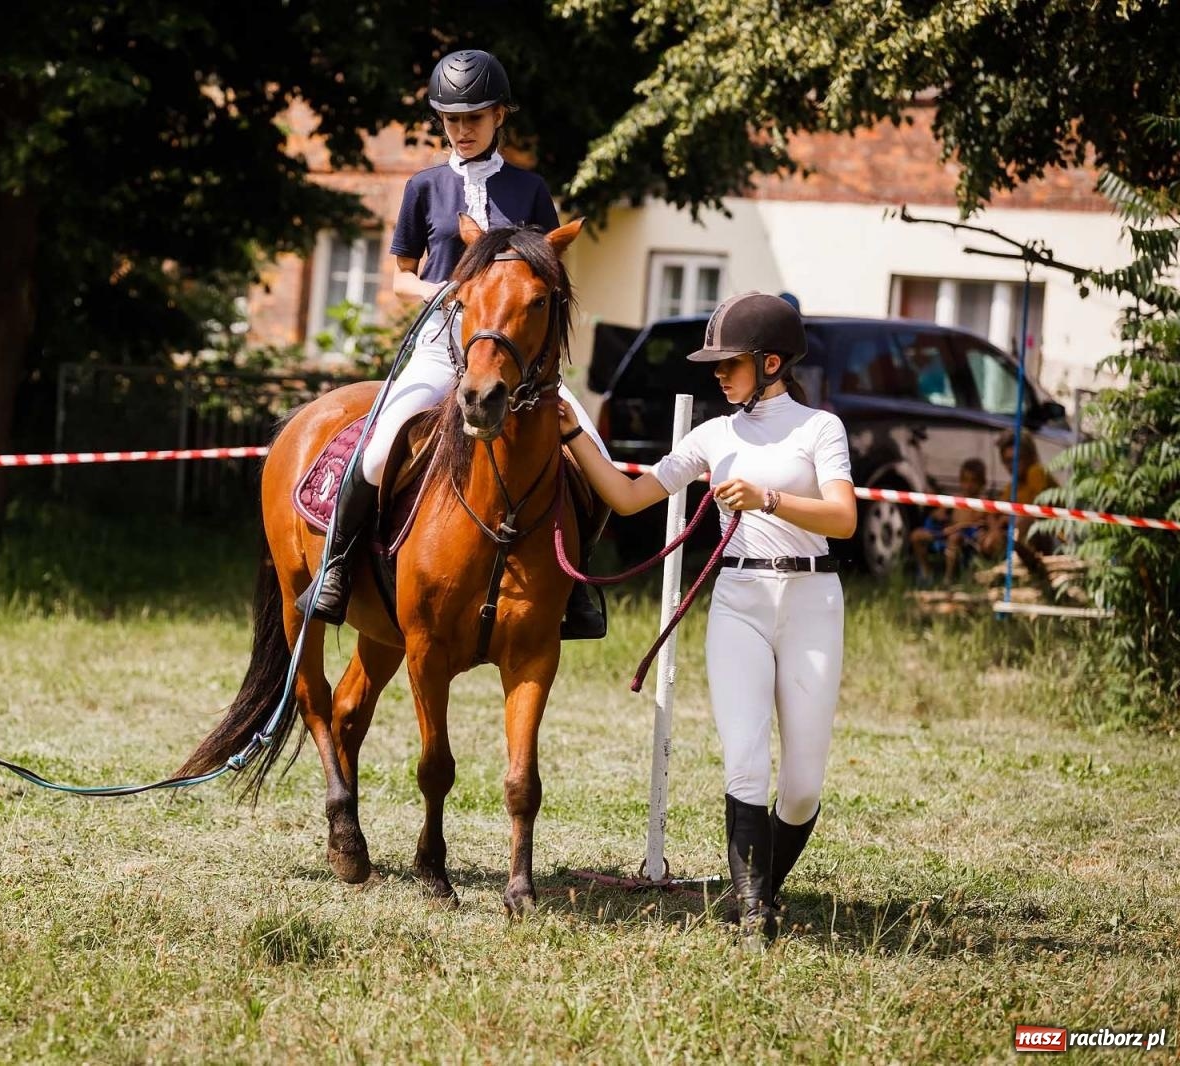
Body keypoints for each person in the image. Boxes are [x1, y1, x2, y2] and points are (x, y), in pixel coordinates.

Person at [559, 292, 858, 945]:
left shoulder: (818, 428)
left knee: (803, 788)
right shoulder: (712, 435)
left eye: (730, 363)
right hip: (739, 601)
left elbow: (843, 518)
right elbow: (630, 495)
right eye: (715, 364)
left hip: (813, 602)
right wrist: (574, 436)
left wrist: (769, 498)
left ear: (771, 361)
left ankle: (753, 889)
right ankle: (754, 914)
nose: (718, 374)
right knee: (746, 764)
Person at [295, 48, 609, 637]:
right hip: (443, 342)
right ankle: (336, 569)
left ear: (500, 118)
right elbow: (399, 275)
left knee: (591, 454)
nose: (463, 131)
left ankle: (574, 588)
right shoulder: (424, 187)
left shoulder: (530, 190)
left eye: (475, 119)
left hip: (514, 353)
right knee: (381, 444)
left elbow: (545, 272)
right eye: (452, 119)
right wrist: (445, 291)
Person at [910, 458, 991, 585]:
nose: (968, 485)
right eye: (965, 480)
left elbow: (978, 525)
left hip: (966, 539)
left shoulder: (982, 503)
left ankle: (948, 578)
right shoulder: (956, 499)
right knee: (917, 535)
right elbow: (938, 514)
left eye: (973, 481)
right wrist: (939, 515)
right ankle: (926, 573)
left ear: (982, 483)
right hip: (945, 532)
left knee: (954, 537)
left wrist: (955, 528)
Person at [978, 431, 1056, 561]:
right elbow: (996, 510)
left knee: (1022, 522)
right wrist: (995, 527)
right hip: (1026, 533)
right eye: (1007, 461)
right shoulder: (1013, 485)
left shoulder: (1035, 472)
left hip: (1052, 535)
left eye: (1017, 459)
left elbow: (1036, 509)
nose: (1012, 466)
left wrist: (1008, 519)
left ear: (1029, 456)